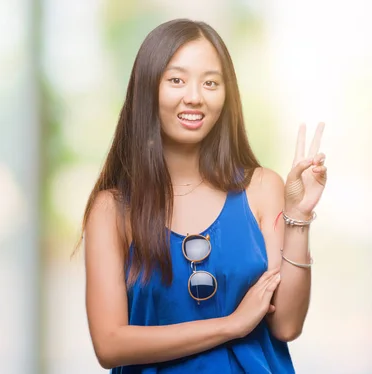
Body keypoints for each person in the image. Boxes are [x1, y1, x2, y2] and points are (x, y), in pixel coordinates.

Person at [80, 19, 327, 373]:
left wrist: (299, 215)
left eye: (210, 82)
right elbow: (109, 344)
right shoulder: (112, 209)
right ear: (148, 89)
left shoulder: (262, 188)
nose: (194, 96)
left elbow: (286, 325)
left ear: (227, 96)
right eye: (176, 80)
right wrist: (231, 325)